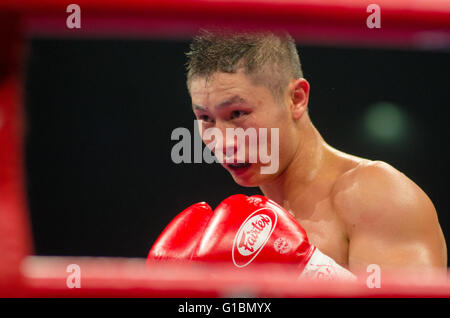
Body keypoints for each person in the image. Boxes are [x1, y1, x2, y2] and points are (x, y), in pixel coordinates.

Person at [149, 29, 447, 280]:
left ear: (296, 99)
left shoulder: (377, 195)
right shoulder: (247, 231)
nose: (223, 140)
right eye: (205, 119)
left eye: (238, 113)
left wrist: (315, 273)